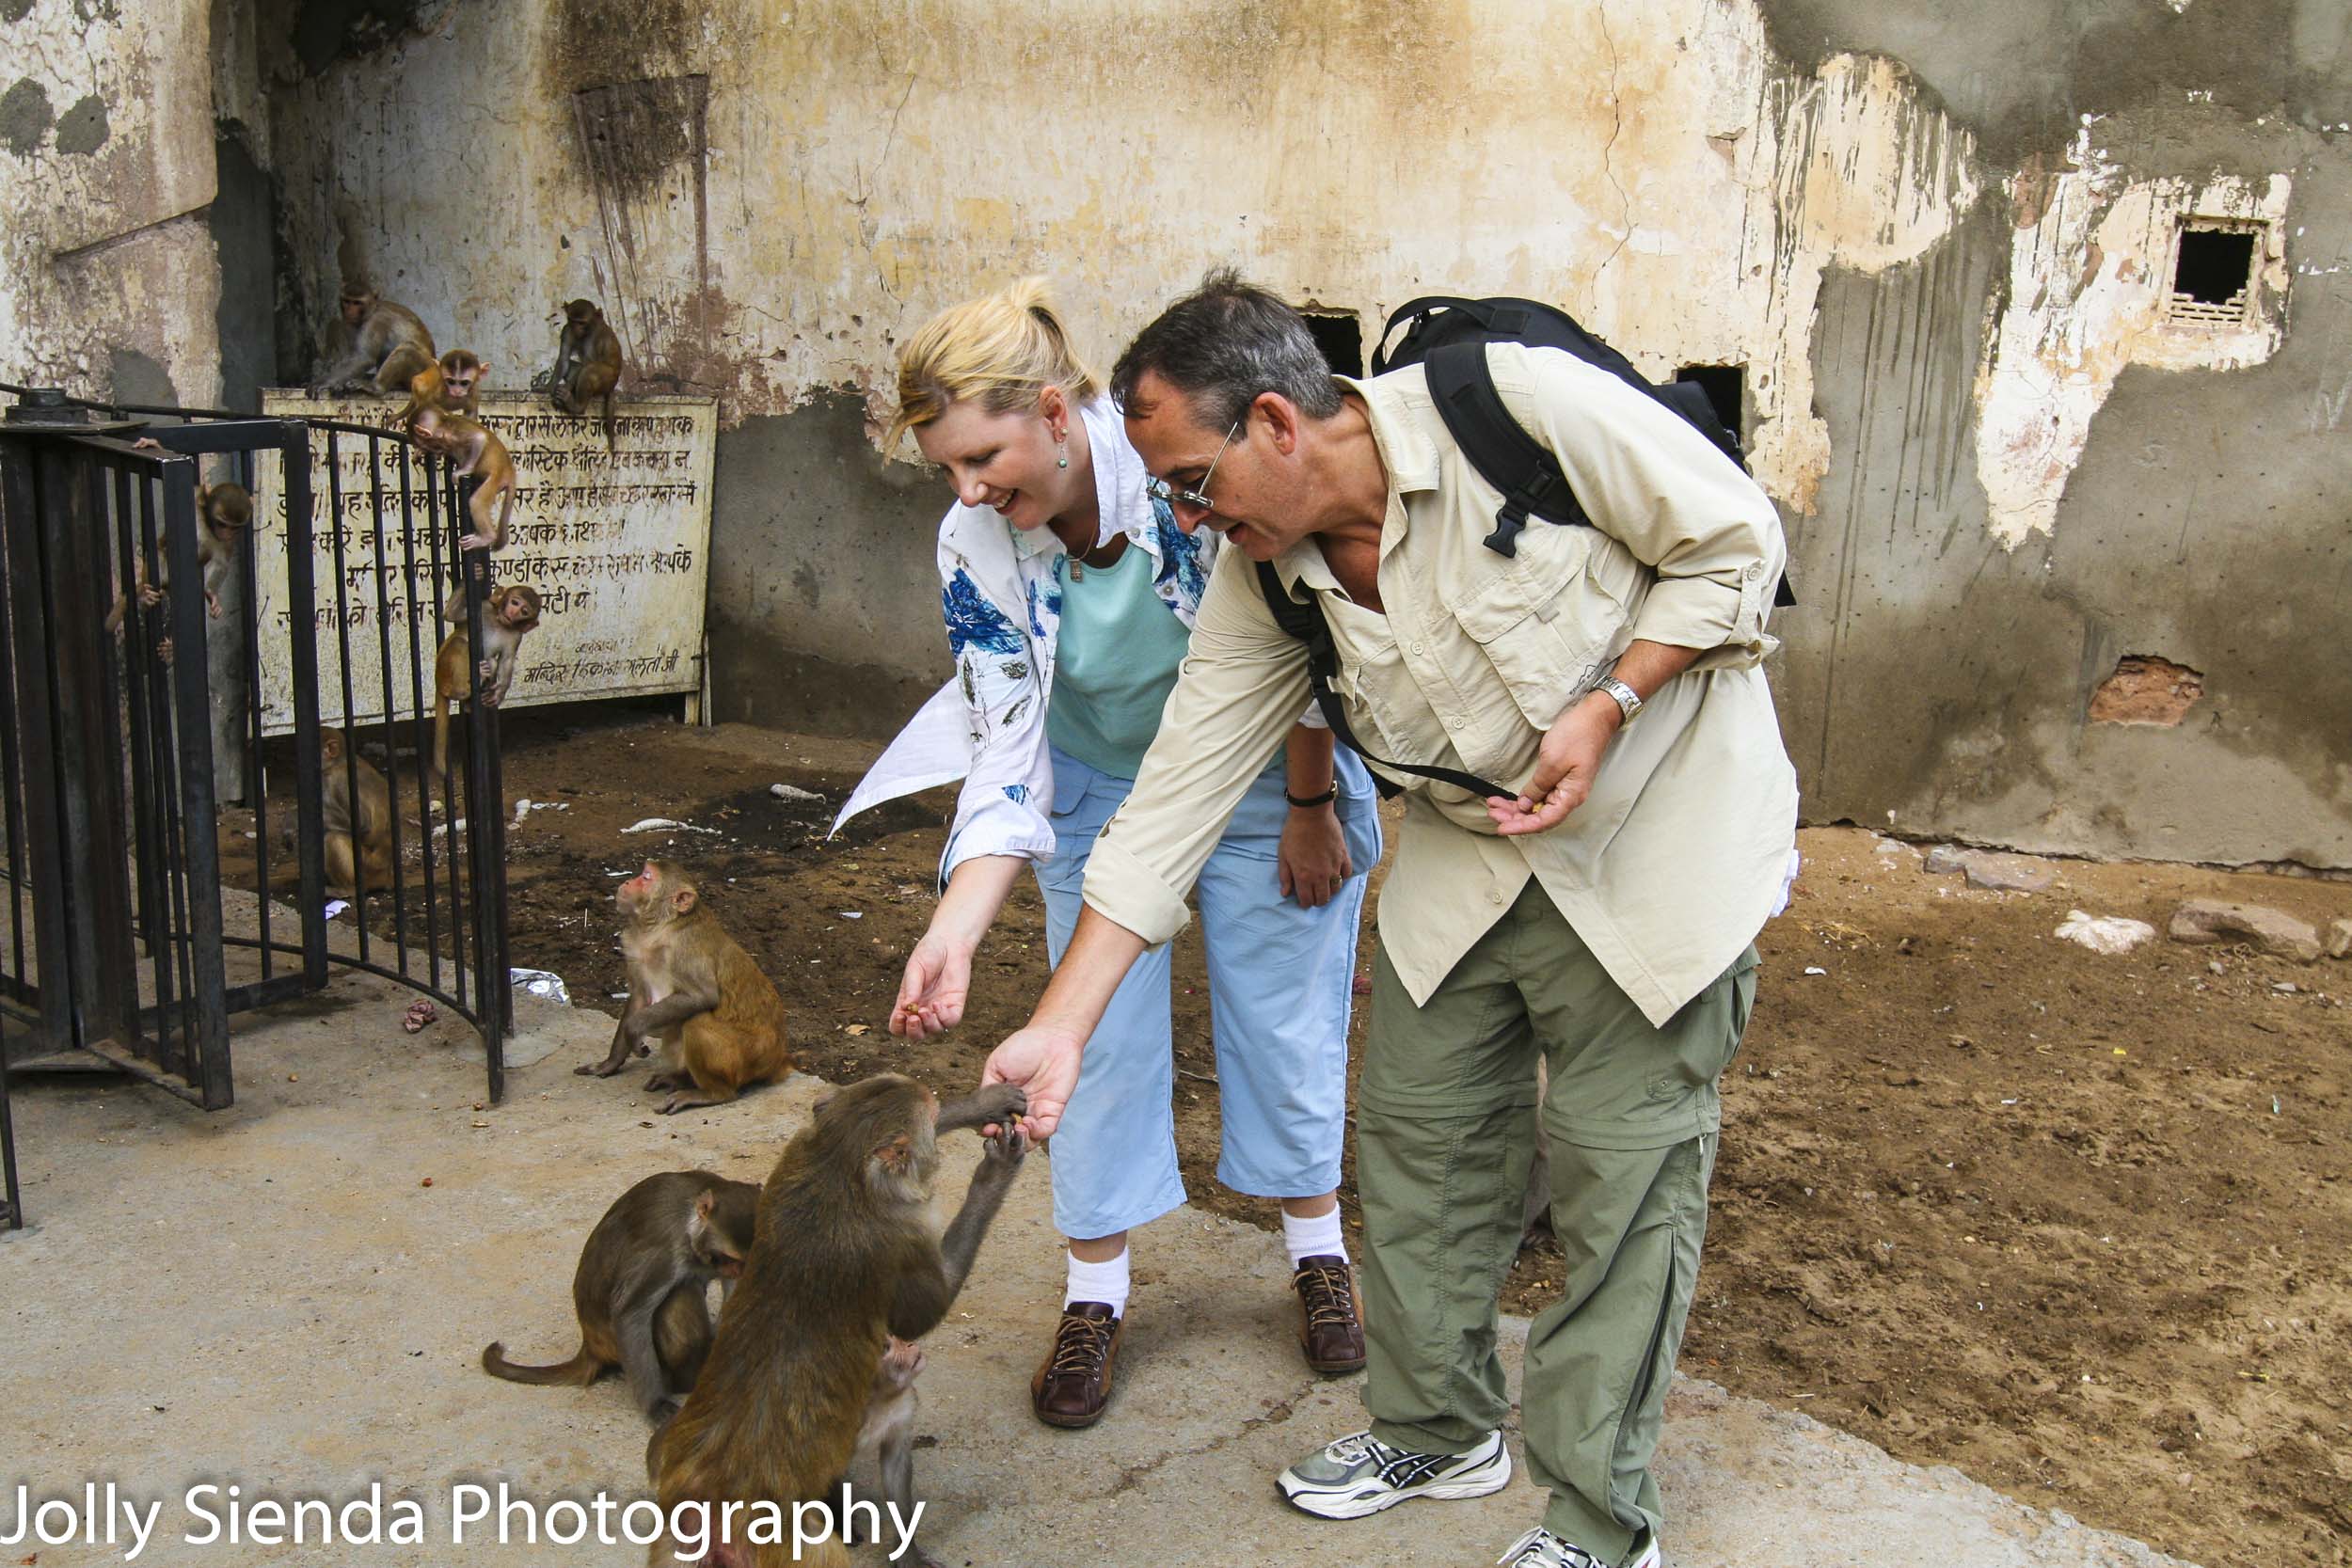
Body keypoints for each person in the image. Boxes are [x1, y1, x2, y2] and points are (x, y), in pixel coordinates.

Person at [977, 271, 1798, 1568]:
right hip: (1471, 872)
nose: (1185, 517)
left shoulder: (1513, 409)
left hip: (1654, 855)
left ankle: (1596, 1515)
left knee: (1618, 1189)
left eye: (1192, 480)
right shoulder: (1271, 578)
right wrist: (1061, 1026)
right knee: (1417, 1152)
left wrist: (1615, 698)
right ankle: (1435, 1426)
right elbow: (1169, 803)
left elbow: (1739, 541)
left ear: (1276, 423)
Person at [832, 278, 1383, 1432]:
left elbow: (1296, 629)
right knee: (1090, 1038)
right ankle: (1095, 1288)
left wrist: (1310, 798)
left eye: (981, 455)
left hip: (1255, 774)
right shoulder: (973, 538)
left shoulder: (1179, 472)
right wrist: (955, 925)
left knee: (1281, 1008)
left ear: (1048, 409)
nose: (968, 487)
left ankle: (1316, 1246)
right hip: (1090, 784)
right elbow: (1005, 734)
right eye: (945, 468)